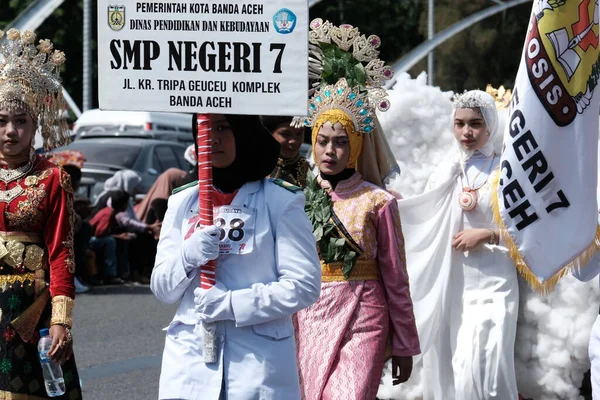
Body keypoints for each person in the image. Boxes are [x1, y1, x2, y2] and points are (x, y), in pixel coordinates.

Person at [151, 113, 321, 399]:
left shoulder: (281, 201)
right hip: (190, 366)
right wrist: (188, 256)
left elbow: (303, 286)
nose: (212, 137)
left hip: (257, 366)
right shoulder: (182, 201)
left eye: (223, 127)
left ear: (244, 131)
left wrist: (231, 304)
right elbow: (163, 290)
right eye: (204, 128)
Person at [293, 20, 420, 400]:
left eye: (340, 143)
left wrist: (404, 343)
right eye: (322, 141)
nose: (330, 151)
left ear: (357, 147)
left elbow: (396, 277)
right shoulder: (296, 196)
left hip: (364, 317)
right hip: (308, 315)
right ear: (312, 144)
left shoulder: (378, 201)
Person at [396, 90, 517, 399]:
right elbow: (425, 215)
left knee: (485, 367)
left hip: (495, 281)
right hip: (453, 285)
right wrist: (397, 206)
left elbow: (530, 229)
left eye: (475, 123)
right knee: (454, 367)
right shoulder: (445, 169)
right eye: (459, 123)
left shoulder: (507, 172)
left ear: (490, 125)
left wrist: (488, 234)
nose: (467, 132)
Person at [0, 28, 81, 398]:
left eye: (20, 121)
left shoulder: (51, 178)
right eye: (1, 120)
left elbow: (61, 251)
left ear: (36, 126)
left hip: (31, 310)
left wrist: (61, 319)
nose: (10, 131)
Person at [89, 190, 132, 284]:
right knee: (110, 241)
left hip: (93, 238)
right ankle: (110, 275)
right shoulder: (108, 214)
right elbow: (99, 233)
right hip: (89, 240)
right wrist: (118, 237)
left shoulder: (110, 212)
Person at [262, 115, 310, 187]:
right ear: (269, 133)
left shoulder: (304, 169)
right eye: (285, 134)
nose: (294, 141)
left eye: (299, 133)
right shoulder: (255, 166)